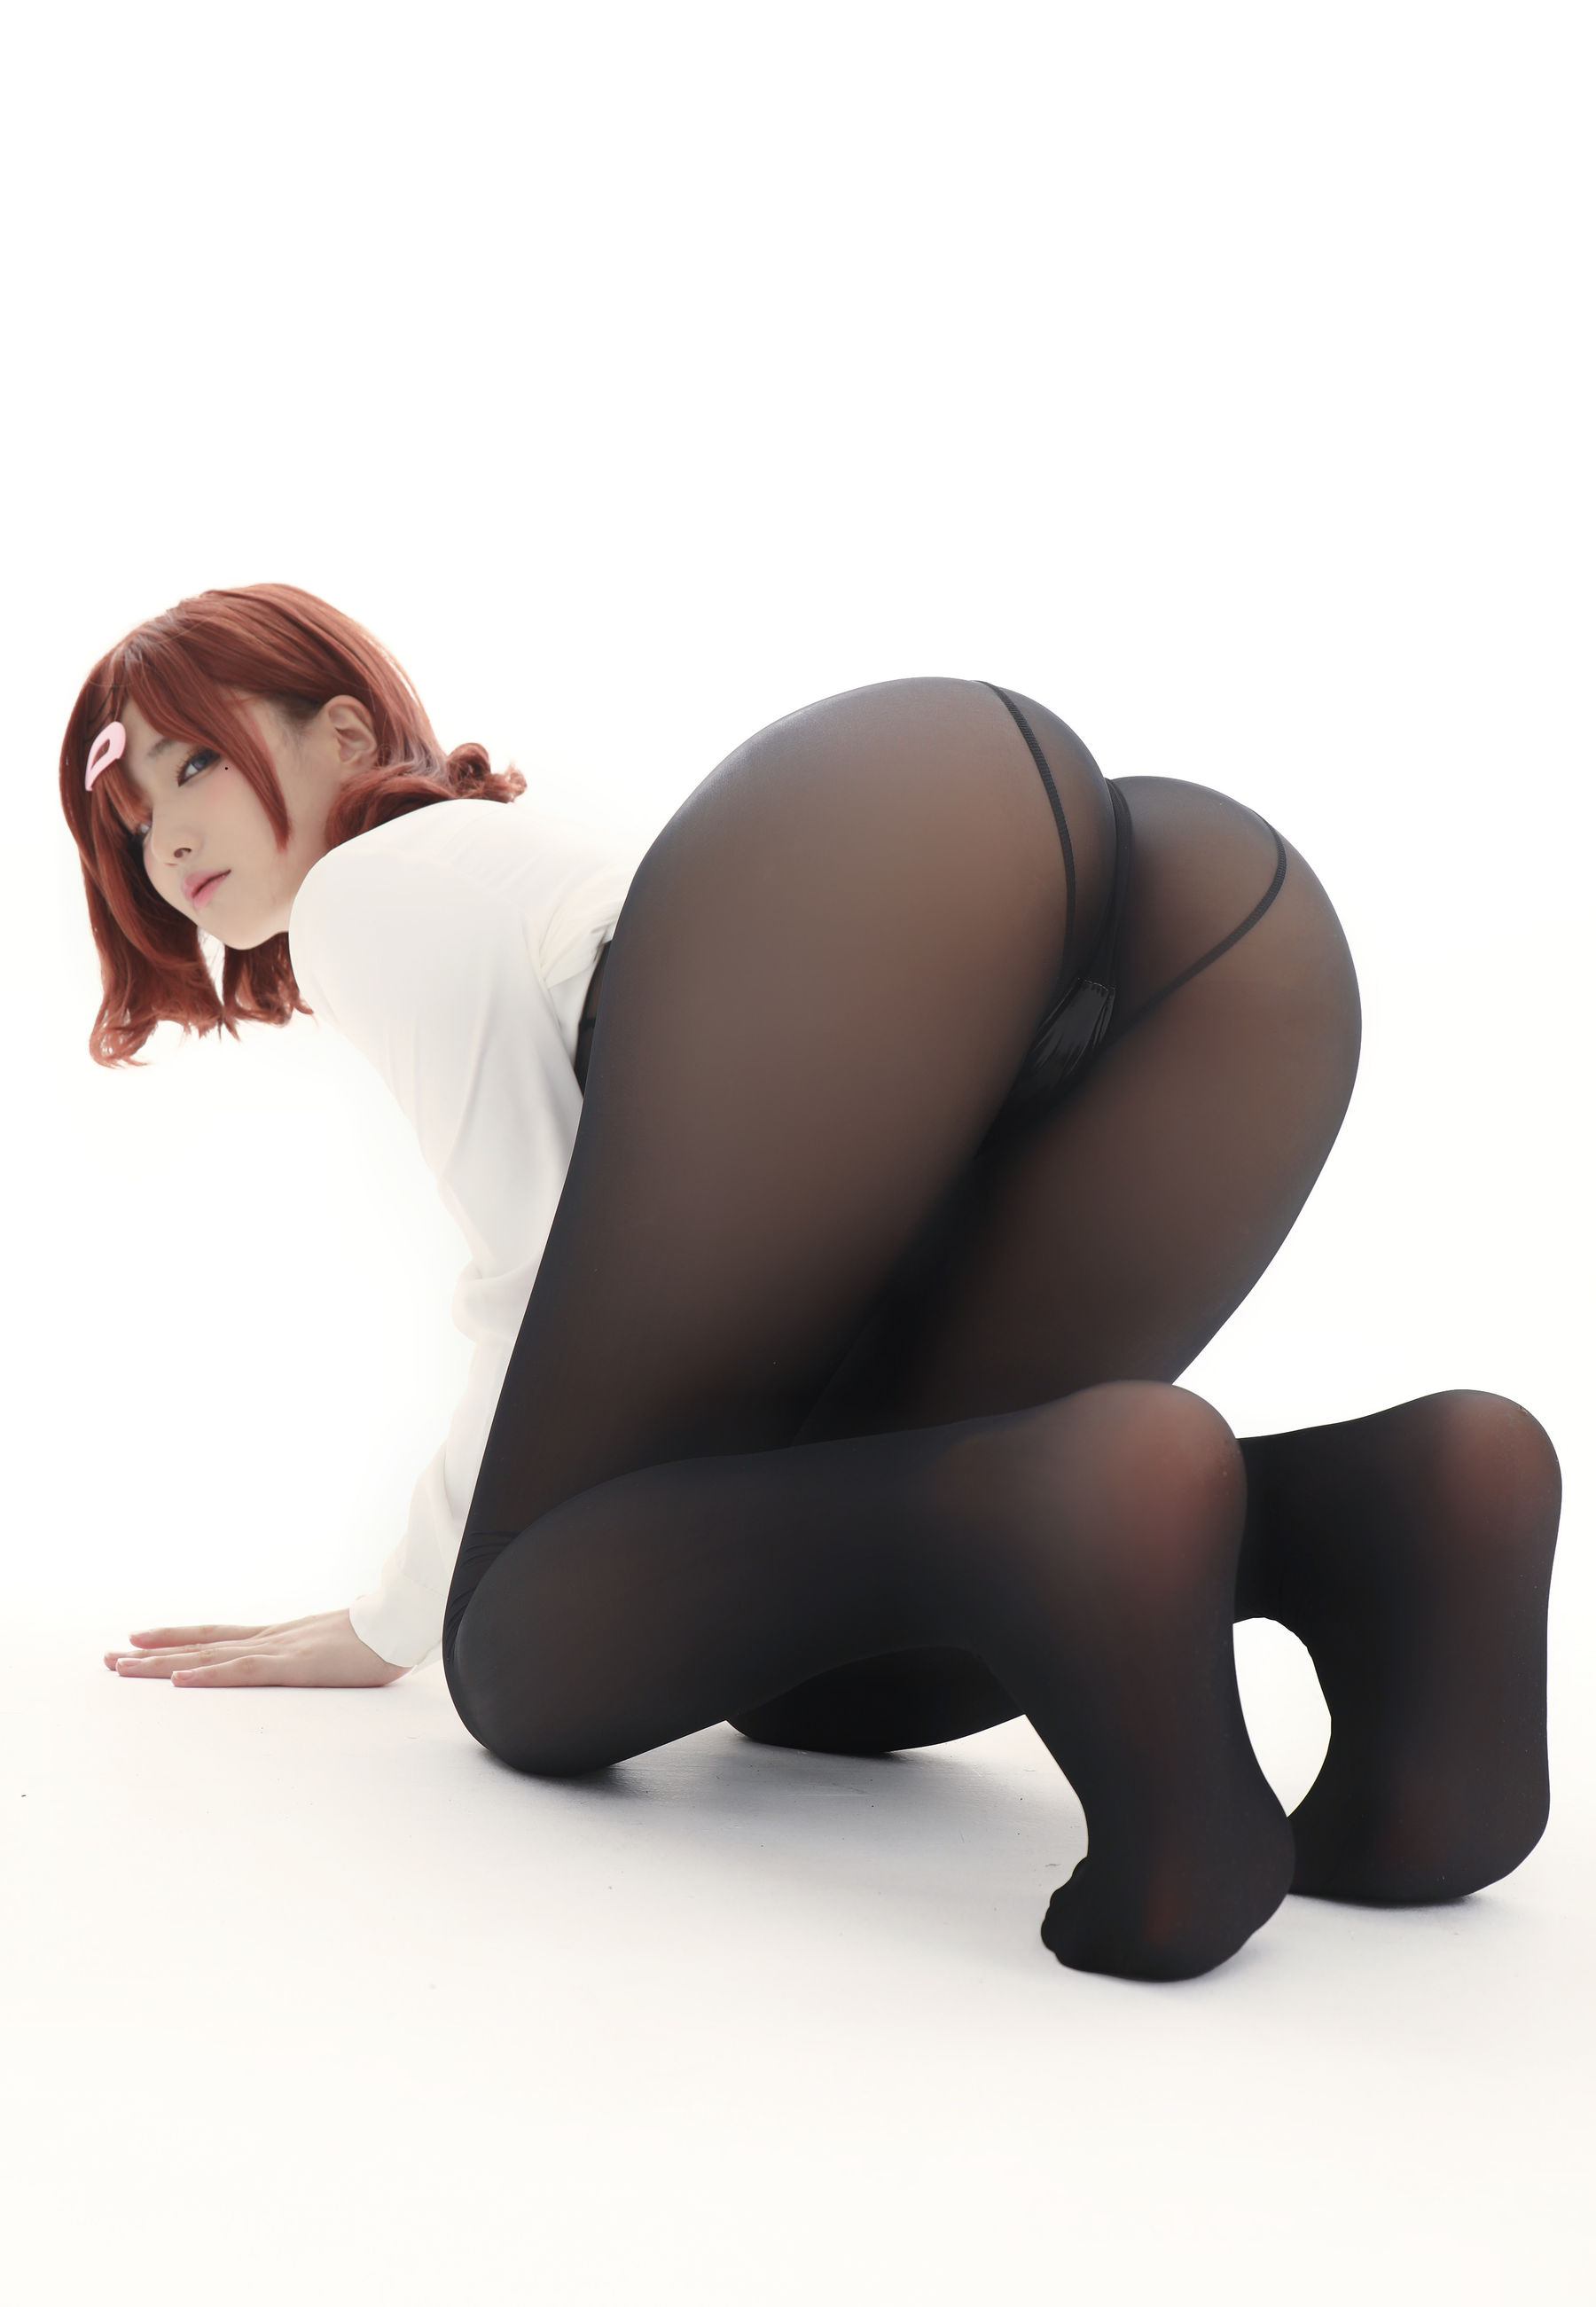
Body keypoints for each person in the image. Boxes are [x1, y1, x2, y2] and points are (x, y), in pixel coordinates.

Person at [60, 583, 1561, 1982]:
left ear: (341, 734)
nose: (168, 842)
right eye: (132, 825)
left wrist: (396, 1618)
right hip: (1196, 919)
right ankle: (1387, 1514)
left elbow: (533, 1269)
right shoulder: (509, 868)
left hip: (889, 853)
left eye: (196, 765)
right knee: (840, 1683)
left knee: (520, 1651)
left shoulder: (370, 891)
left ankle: (1072, 1501)